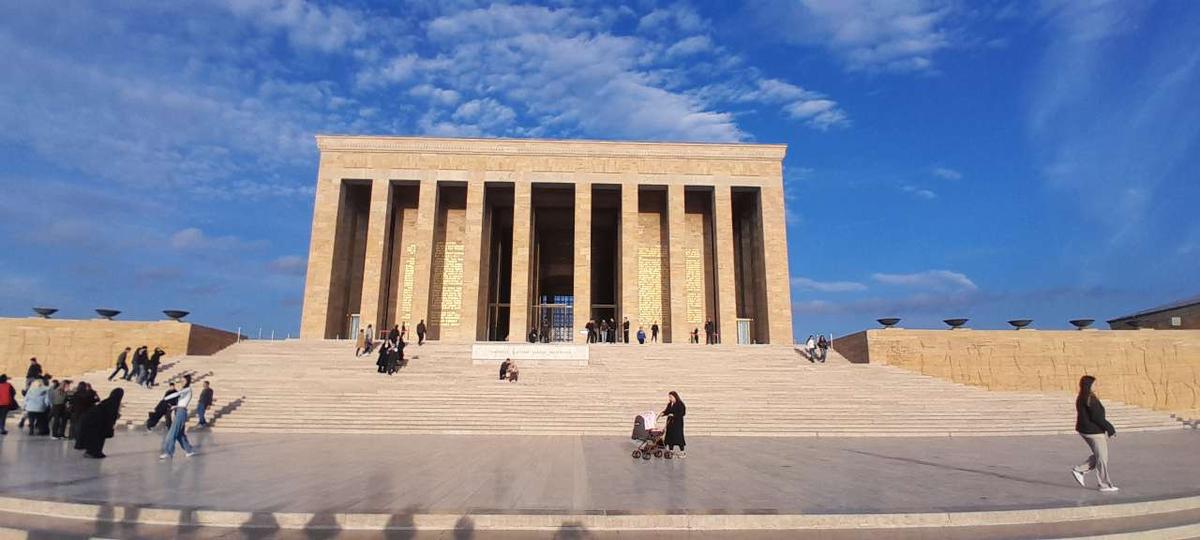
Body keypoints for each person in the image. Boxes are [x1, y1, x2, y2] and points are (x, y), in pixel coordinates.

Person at [1072, 375, 1118, 492]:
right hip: (1093, 432)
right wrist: (1110, 429)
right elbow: (1097, 417)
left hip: (1086, 430)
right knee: (1102, 458)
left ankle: (1080, 470)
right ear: (1089, 385)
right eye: (1094, 384)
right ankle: (1104, 485)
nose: (1096, 386)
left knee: (1100, 455)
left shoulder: (1082, 397)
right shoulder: (1089, 398)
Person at [75, 388, 123, 458]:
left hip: (94, 420)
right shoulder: (113, 403)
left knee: (96, 436)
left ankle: (93, 452)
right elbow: (110, 415)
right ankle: (93, 452)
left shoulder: (108, 401)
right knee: (97, 437)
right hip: (95, 421)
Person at [160, 375, 197, 459]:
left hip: (181, 413)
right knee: (179, 434)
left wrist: (165, 398)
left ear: (188, 381)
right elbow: (182, 403)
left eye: (184, 381)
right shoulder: (185, 390)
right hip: (180, 411)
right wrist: (175, 407)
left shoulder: (187, 389)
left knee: (172, 433)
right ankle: (189, 450)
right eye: (181, 381)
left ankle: (168, 452)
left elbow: (177, 394)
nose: (182, 382)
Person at [661, 391, 686, 458]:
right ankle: (671, 451)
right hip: (670, 423)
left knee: (679, 437)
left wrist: (674, 415)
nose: (670, 398)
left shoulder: (680, 404)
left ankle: (682, 452)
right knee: (670, 436)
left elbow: (682, 413)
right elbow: (667, 411)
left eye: (671, 397)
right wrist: (663, 413)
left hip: (677, 424)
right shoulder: (670, 404)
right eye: (669, 397)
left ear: (675, 397)